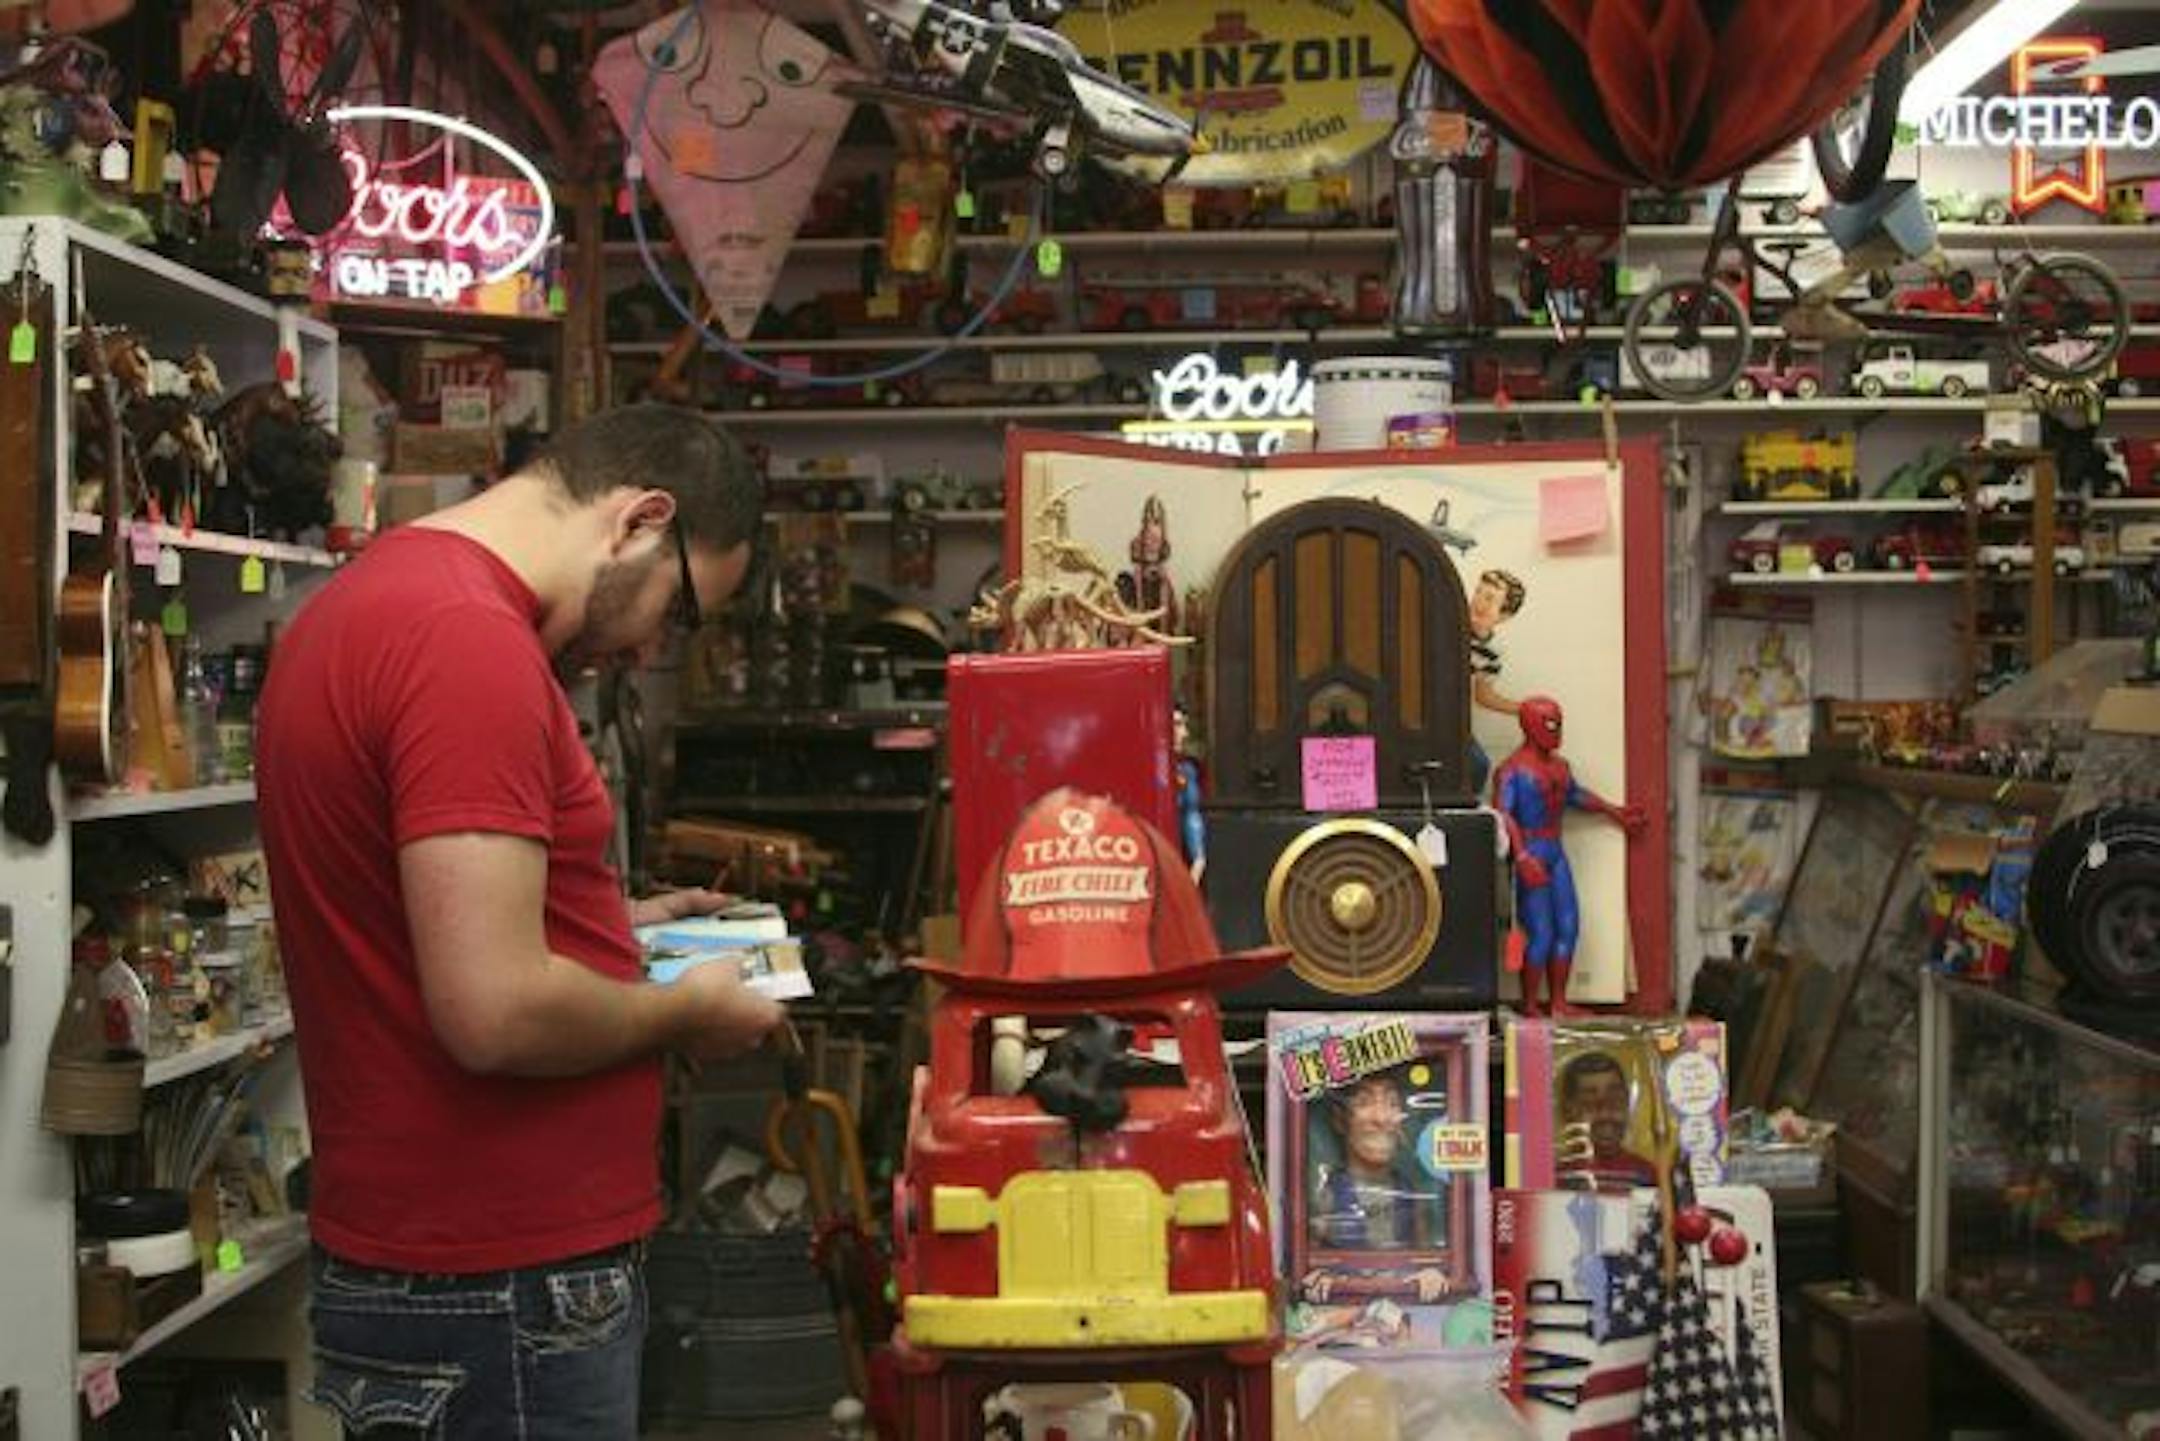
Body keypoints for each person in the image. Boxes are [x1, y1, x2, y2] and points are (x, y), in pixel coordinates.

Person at [256, 404, 786, 1439]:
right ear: (640, 520)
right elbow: (494, 1010)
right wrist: (688, 1010)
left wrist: (607, 928)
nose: (649, 648)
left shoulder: (380, 598)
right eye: (677, 610)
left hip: (453, 1270)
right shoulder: (467, 644)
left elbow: (415, 920)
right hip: (499, 1280)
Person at [1493, 695, 1646, 1016]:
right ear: (1530, 726)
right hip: (1532, 851)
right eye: (1549, 723)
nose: (1556, 730)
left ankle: (1559, 1001)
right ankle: (1531, 1005)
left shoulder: (1560, 767)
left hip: (1555, 850)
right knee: (1542, 932)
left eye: (1558, 723)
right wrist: (1521, 857)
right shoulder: (1511, 770)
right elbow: (1502, 815)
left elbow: (1575, 795)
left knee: (1569, 926)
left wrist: (1614, 811)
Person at [1305, 1072, 1452, 1303]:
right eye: (1364, 1102)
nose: (1381, 1118)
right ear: (1340, 1119)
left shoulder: (1412, 1197)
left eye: (1392, 1103)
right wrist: (1319, 1275)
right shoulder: (1326, 1195)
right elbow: (1307, 1262)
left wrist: (1431, 1274)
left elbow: (1426, 1257)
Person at [1557, 1051, 1659, 1190]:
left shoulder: (1648, 1174)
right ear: (1570, 1109)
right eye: (1589, 1103)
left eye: (1615, 1100)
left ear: (1627, 1102)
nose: (1605, 1112)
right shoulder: (1558, 1178)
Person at [1466, 568, 1526, 795]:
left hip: (1451, 720)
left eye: (1489, 598)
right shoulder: (1448, 625)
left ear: (1504, 615)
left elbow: (1483, 696)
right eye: (1478, 593)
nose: (1479, 602)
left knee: (1477, 765)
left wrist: (1523, 708)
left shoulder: (1491, 653)